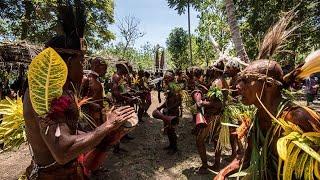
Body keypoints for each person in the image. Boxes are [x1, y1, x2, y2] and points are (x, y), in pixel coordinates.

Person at [23, 2, 136, 179]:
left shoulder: (63, 90)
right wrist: (107, 126)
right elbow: (62, 151)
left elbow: (70, 132)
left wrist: (107, 134)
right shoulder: (44, 92)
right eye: (81, 60)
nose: (84, 66)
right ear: (67, 63)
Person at [214, 59, 320, 180]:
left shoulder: (297, 117)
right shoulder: (258, 118)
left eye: (246, 81)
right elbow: (246, 157)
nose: (238, 86)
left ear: (269, 85)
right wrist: (223, 173)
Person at [193, 61, 229, 173]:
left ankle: (204, 166)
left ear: (215, 70)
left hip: (213, 116)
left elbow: (218, 104)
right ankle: (217, 165)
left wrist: (202, 103)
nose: (210, 70)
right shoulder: (223, 81)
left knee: (199, 140)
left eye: (212, 68)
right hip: (219, 115)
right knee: (216, 140)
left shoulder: (217, 82)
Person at [156, 71, 182, 155]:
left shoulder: (175, 87)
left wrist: (169, 108)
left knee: (172, 130)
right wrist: (161, 107)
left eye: (167, 78)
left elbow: (179, 102)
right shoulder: (169, 86)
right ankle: (171, 145)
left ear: (171, 78)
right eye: (165, 77)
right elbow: (167, 100)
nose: (165, 79)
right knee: (168, 129)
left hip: (173, 112)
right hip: (168, 111)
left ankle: (174, 148)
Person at [81, 57, 108, 128]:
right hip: (89, 116)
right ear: (96, 66)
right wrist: (93, 105)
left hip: (97, 115)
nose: (106, 71)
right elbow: (79, 99)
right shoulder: (86, 79)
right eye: (104, 68)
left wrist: (105, 99)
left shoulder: (97, 81)